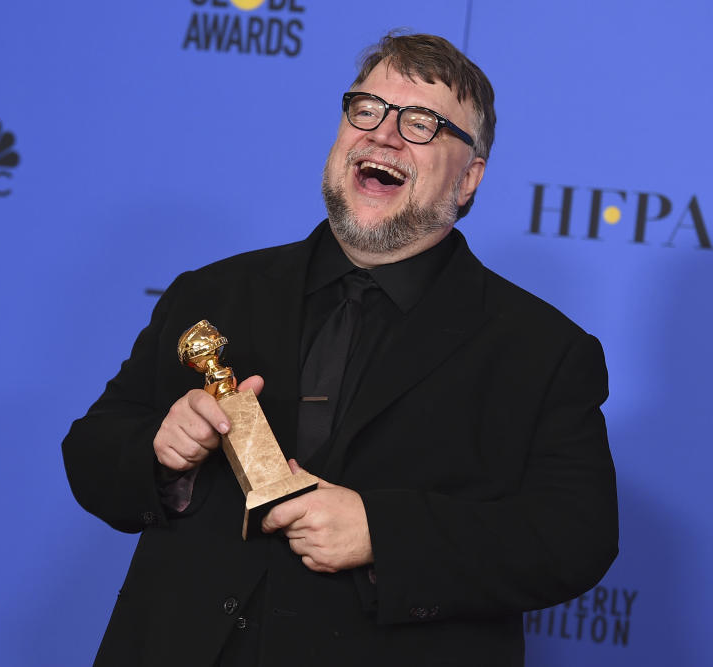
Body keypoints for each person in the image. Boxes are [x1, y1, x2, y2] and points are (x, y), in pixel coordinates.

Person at [62, 32, 618, 667]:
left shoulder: (543, 350)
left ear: (468, 179)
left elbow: (576, 541)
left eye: (422, 124)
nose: (384, 134)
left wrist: (384, 534)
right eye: (368, 109)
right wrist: (164, 459)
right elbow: (91, 452)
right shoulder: (212, 292)